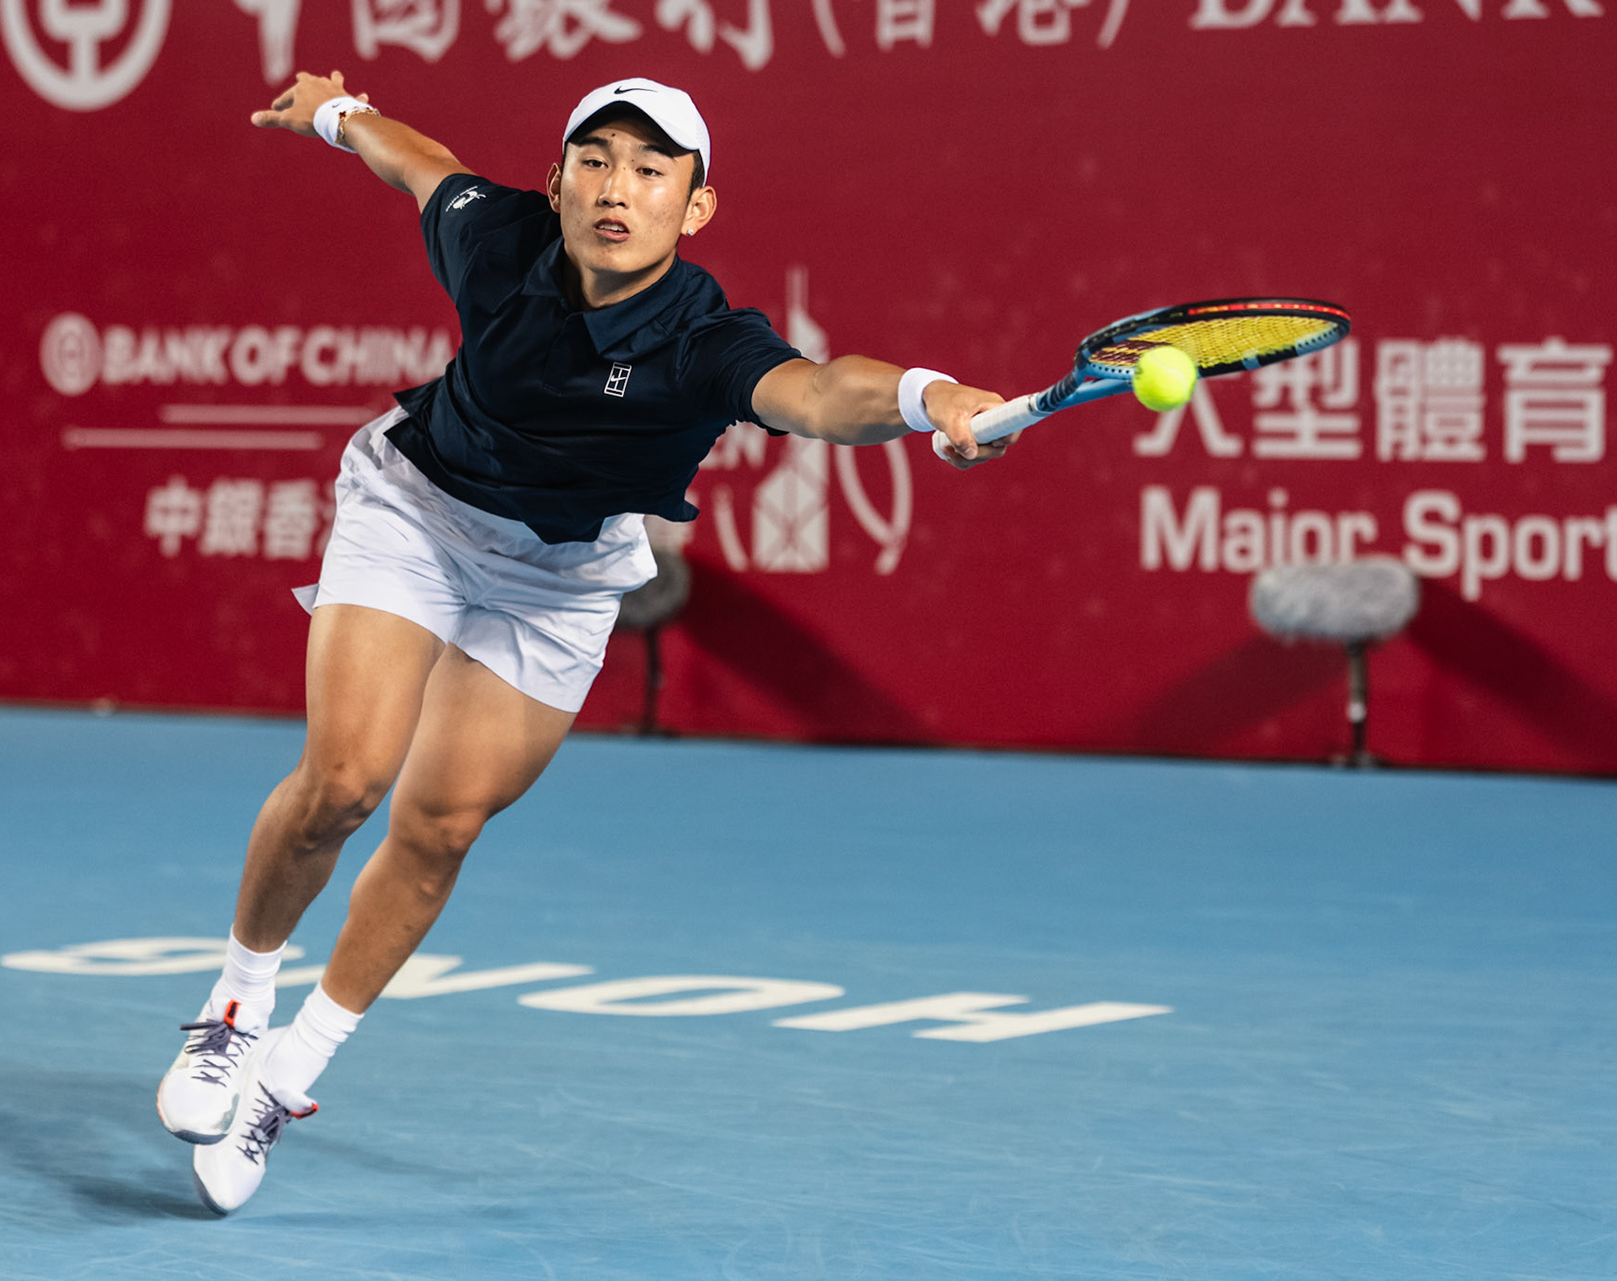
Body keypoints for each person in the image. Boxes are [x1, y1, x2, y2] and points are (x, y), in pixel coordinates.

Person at [157, 70, 1016, 1215]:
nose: (620, 189)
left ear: (694, 206)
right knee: (345, 782)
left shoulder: (706, 341)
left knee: (443, 824)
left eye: (653, 171)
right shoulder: (497, 238)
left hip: (558, 578)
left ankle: (289, 1073)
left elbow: (817, 394)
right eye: (598, 160)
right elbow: (414, 159)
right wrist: (332, 113)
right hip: (417, 510)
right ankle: (233, 1010)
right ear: (559, 180)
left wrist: (929, 397)